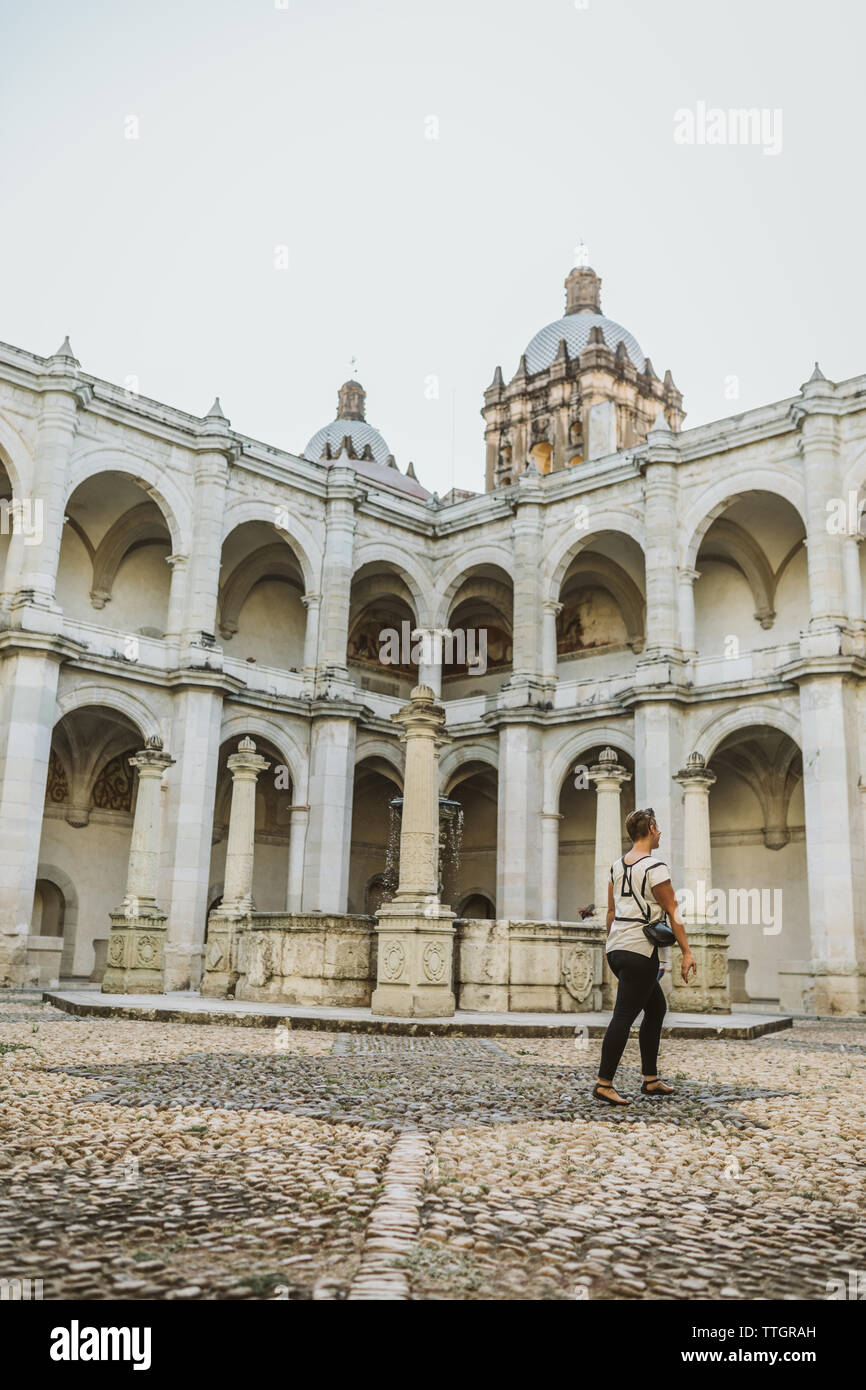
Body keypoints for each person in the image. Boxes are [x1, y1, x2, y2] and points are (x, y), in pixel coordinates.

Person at [592, 807, 697, 1106]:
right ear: (650, 828)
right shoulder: (655, 867)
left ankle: (650, 1079)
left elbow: (611, 912)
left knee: (656, 1008)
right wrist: (687, 952)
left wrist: (611, 944)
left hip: (618, 947)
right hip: (640, 949)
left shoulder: (616, 866)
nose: (660, 832)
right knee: (623, 1016)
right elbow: (673, 910)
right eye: (658, 827)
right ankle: (604, 1083)